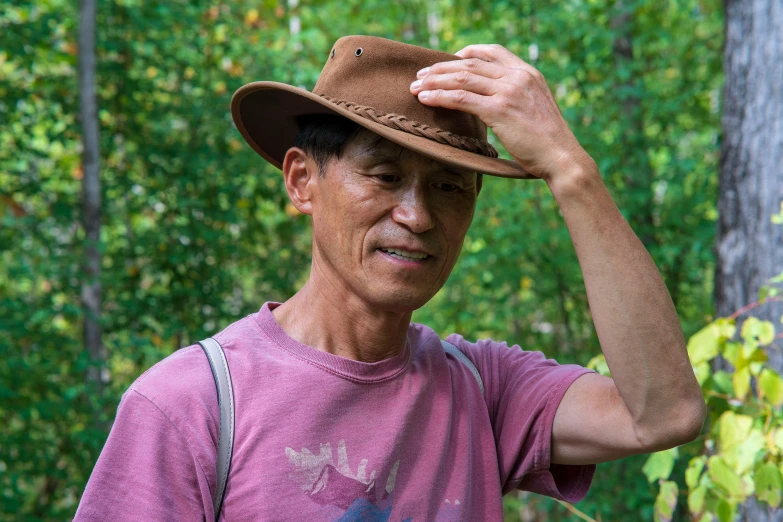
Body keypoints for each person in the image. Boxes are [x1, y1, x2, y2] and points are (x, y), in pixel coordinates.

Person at [75, 35, 705, 521]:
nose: (418, 215)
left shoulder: (481, 391)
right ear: (301, 180)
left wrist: (571, 170)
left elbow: (664, 414)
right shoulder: (192, 404)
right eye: (382, 175)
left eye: (450, 187)